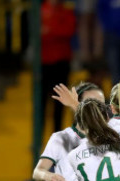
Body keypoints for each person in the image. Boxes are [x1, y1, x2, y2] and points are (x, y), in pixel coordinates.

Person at [41, 0, 77, 133]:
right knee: (41, 103)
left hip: (61, 62)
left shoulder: (66, 10)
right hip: (44, 62)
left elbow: (69, 30)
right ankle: (39, 137)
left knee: (59, 103)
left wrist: (50, 30)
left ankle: (56, 135)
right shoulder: (41, 10)